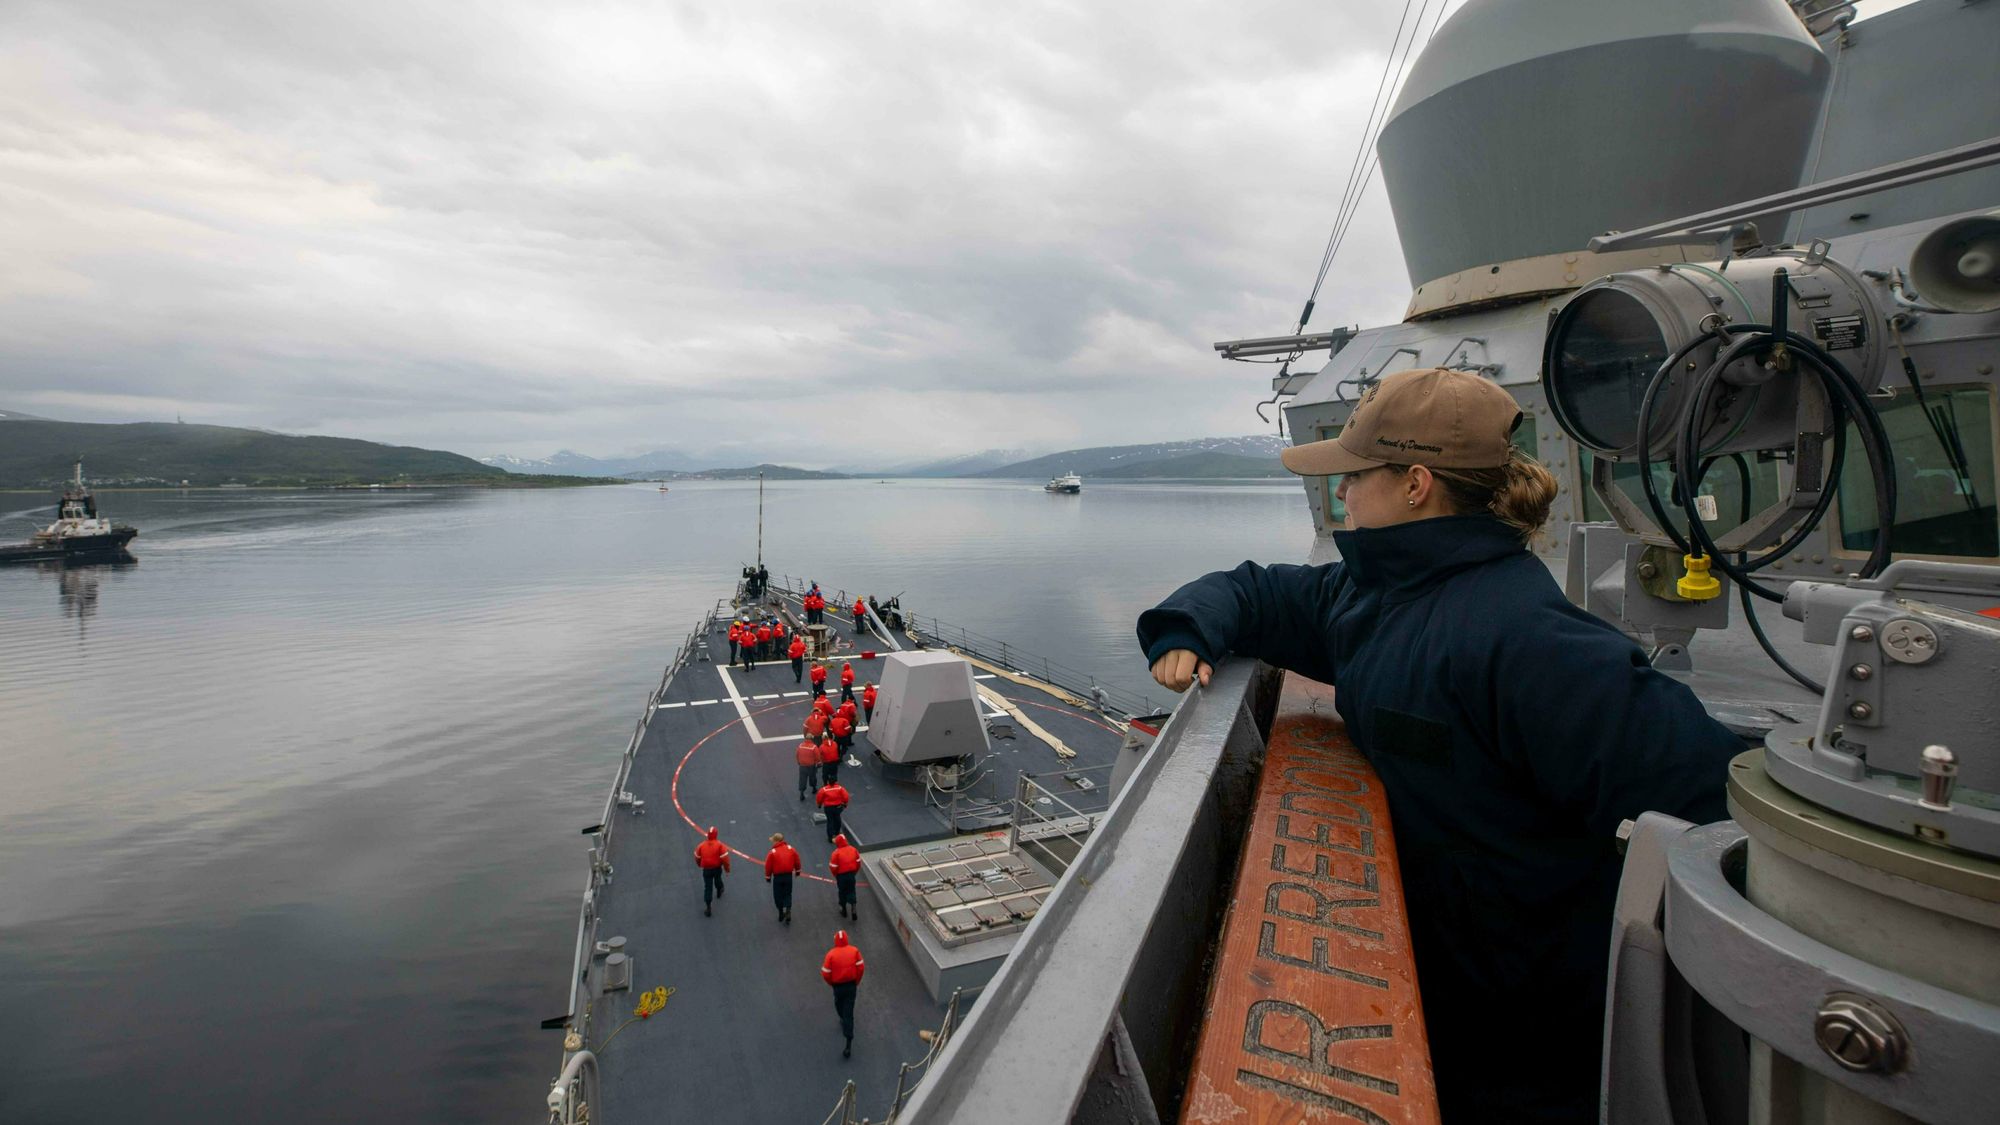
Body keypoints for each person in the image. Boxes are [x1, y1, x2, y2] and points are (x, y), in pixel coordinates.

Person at [1135, 367, 1743, 1125]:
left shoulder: (1527, 639)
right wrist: (1186, 629)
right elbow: (1259, 591)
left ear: (1416, 483)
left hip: (1523, 1039)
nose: (1343, 495)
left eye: (1354, 476)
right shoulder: (1375, 591)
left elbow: (1709, 799)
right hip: (1441, 988)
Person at [820, 930, 865, 1058]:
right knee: (849, 1013)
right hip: (851, 986)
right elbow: (861, 967)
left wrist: (832, 983)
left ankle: (842, 1018)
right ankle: (848, 1042)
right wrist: (856, 981)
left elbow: (825, 973)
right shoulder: (854, 951)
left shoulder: (831, 955)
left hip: (838, 987)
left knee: (838, 1005)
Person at [693, 826, 731, 917]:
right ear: (716, 835)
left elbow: (697, 857)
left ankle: (708, 906)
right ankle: (719, 889)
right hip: (717, 868)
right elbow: (725, 859)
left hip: (706, 870)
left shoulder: (701, 845)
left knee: (708, 887)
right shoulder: (720, 845)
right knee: (718, 879)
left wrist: (700, 864)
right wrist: (727, 870)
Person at [765, 833, 801, 923]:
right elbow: (797, 860)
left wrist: (768, 877)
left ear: (777, 841)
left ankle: (781, 913)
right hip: (788, 876)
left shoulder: (772, 852)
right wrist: (797, 871)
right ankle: (788, 909)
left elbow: (768, 866)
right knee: (788, 893)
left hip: (778, 878)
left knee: (778, 895)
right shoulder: (791, 849)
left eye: (773, 840)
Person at [829, 834, 862, 919]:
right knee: (852, 890)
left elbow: (833, 867)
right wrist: (854, 873)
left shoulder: (836, 853)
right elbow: (858, 862)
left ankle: (843, 910)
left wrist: (836, 875)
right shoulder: (853, 850)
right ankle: (853, 906)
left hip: (841, 876)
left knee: (842, 892)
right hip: (851, 875)